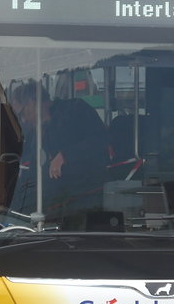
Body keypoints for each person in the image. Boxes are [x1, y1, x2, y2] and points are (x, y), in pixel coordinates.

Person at [9, 80, 110, 217]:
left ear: (33, 102)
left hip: (85, 202)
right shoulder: (32, 133)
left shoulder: (76, 110)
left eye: (22, 113)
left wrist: (65, 155)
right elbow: (27, 163)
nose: (23, 120)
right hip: (47, 208)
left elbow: (99, 141)